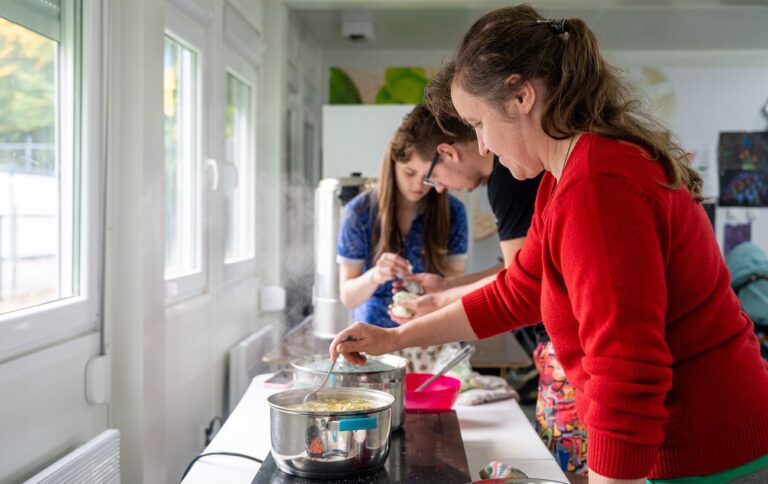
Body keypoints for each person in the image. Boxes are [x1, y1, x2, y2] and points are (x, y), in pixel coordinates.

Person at [330, 5, 768, 483]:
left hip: (713, 450)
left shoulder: (597, 186)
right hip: (695, 443)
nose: (485, 146)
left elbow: (624, 367)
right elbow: (517, 291)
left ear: (521, 97)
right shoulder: (561, 182)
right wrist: (393, 340)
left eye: (478, 123)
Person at [390, 152, 588, 475]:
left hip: (566, 353)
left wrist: (410, 324)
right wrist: (443, 291)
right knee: (564, 466)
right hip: (559, 349)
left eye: (479, 124)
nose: (484, 146)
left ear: (447, 151)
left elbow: (519, 290)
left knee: (571, 470)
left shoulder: (508, 180)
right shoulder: (539, 180)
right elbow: (521, 275)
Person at [336, 104, 469, 372]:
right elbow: (348, 296)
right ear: (392, 165)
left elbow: (456, 287)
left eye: (428, 176)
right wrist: (375, 275)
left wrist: (425, 291)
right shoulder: (359, 213)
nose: (419, 184)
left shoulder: (453, 212)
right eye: (409, 173)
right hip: (372, 345)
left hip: (432, 340)